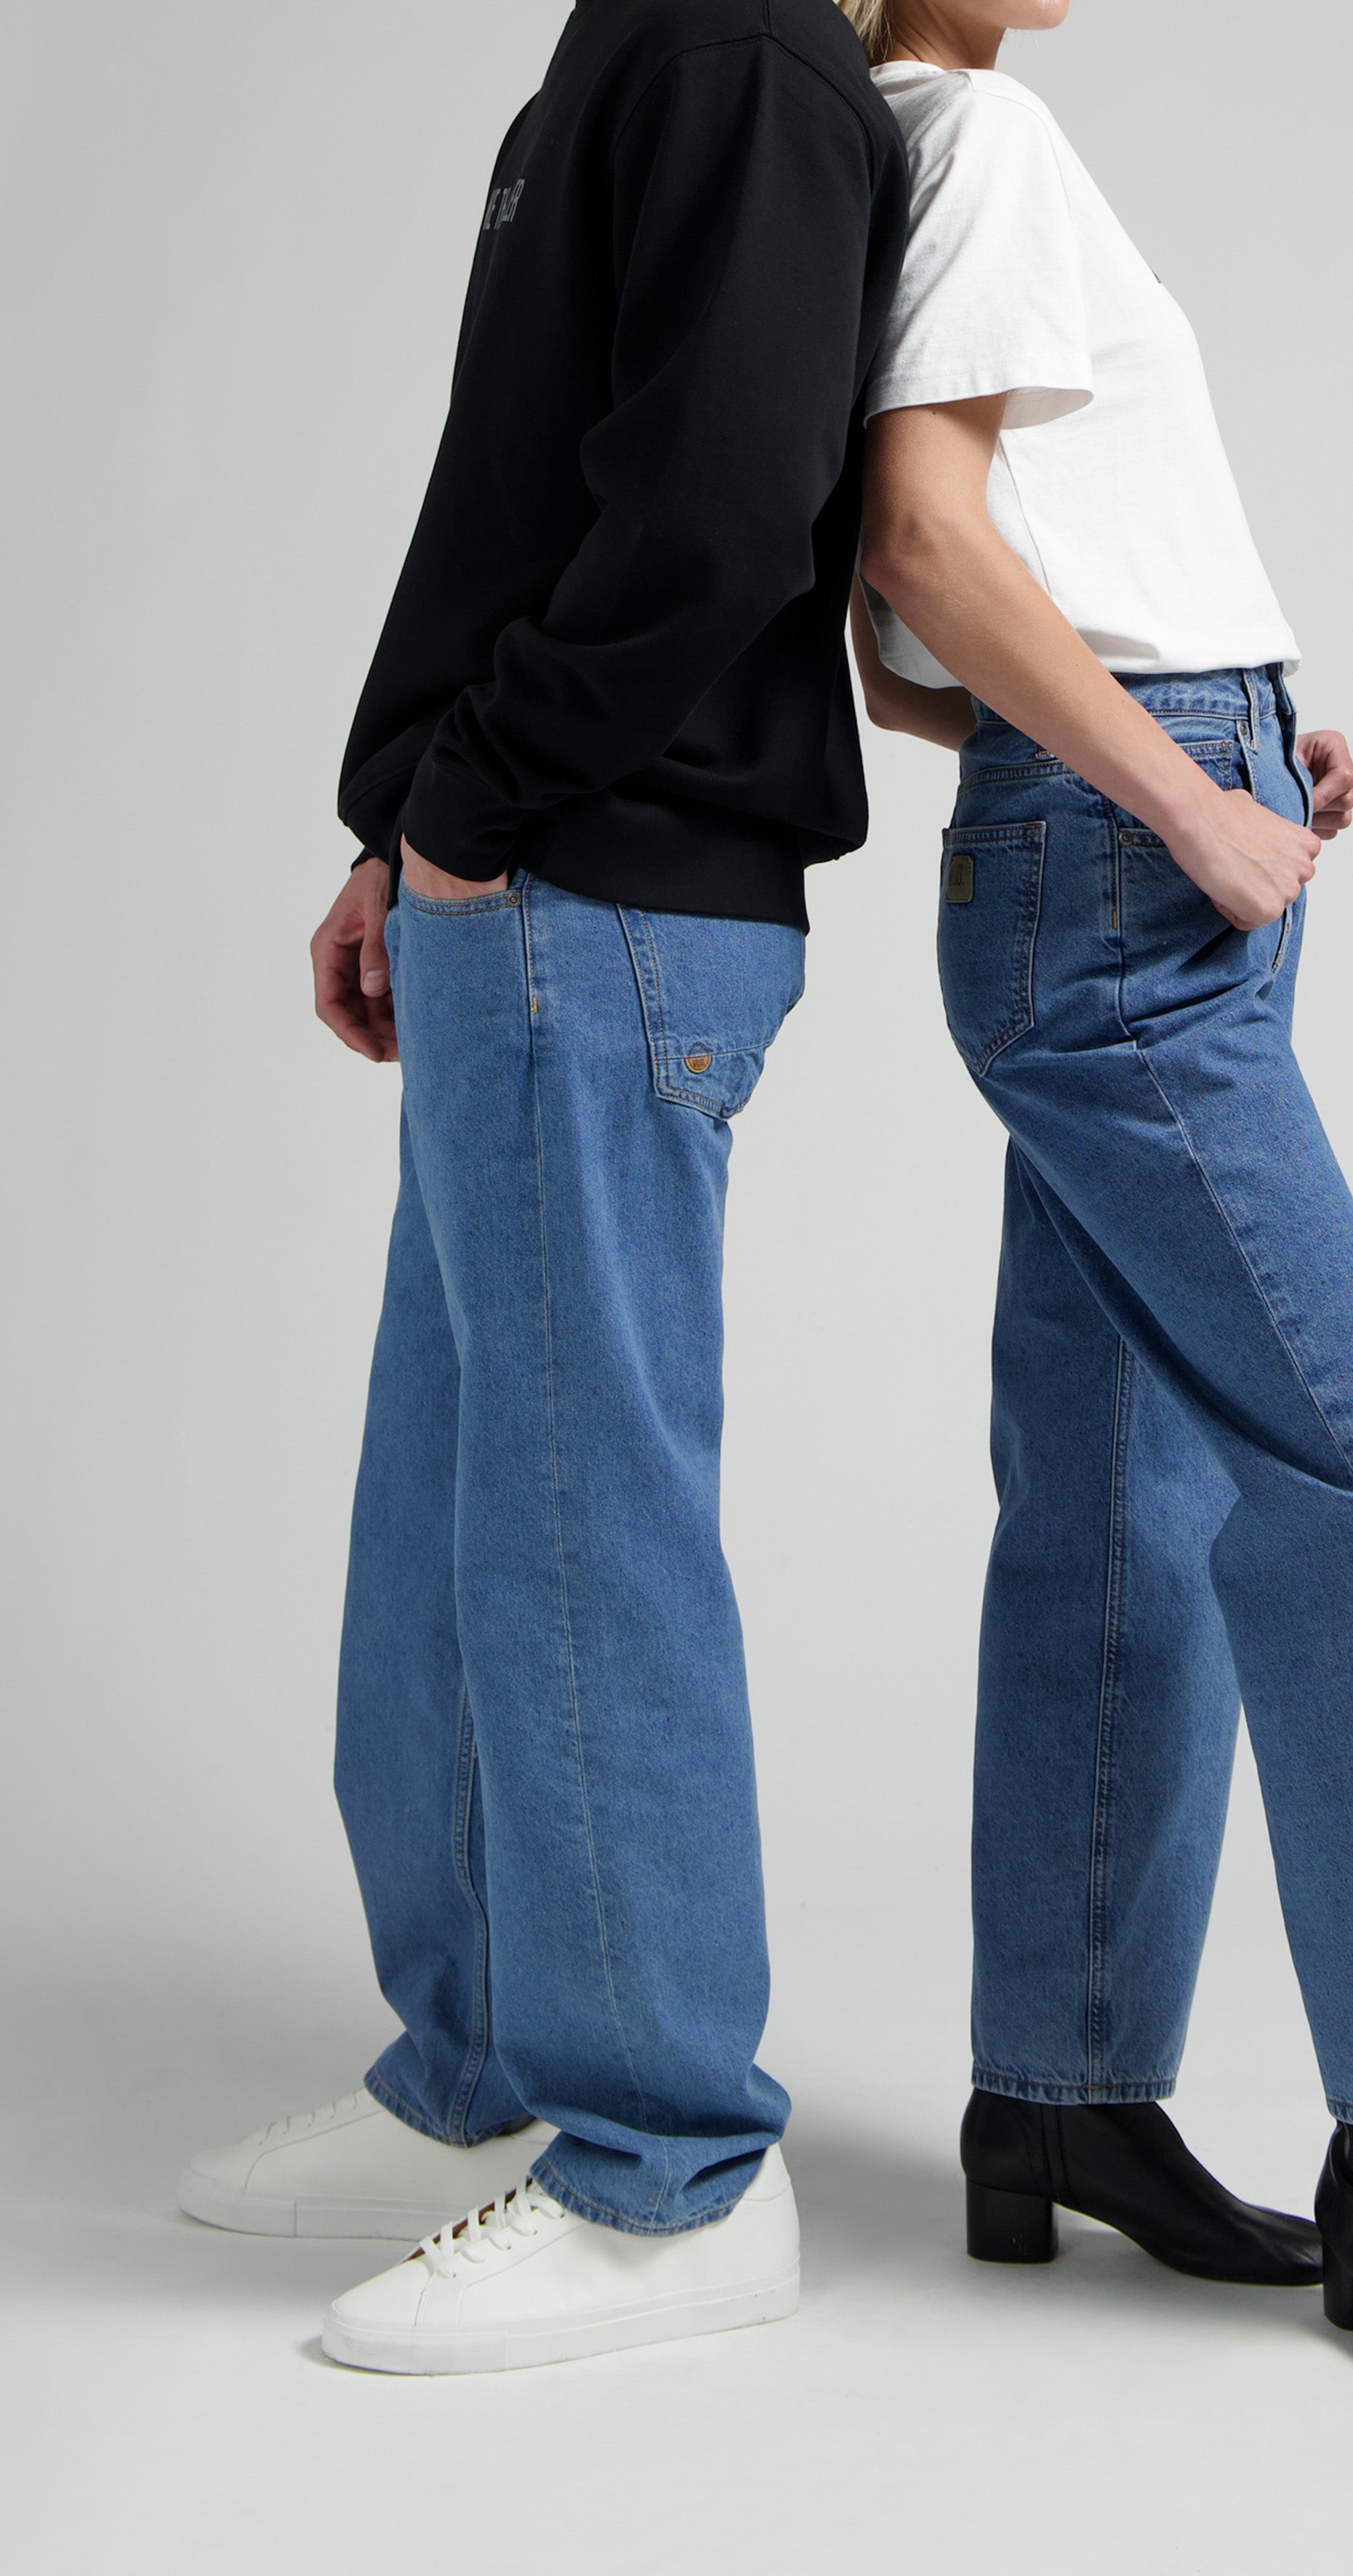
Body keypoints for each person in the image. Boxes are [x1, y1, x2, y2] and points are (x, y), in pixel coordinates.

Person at [845, 0, 1353, 2420]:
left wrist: (1225, 732)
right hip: (1134, 912)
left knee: (1114, 1501)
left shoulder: (879, 142)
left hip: (1124, 863)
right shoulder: (973, 125)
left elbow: (913, 638)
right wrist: (1189, 793)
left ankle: (1053, 2084)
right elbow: (918, 547)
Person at [178, 0, 908, 2377]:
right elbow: (538, 494)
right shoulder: (634, 45)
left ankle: (674, 2169)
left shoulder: (742, 57)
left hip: (600, 891)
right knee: (459, 1507)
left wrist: (474, 809)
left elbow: (718, 501)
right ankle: (477, 2069)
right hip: (518, 880)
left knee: (581, 1521)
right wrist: (403, 833)